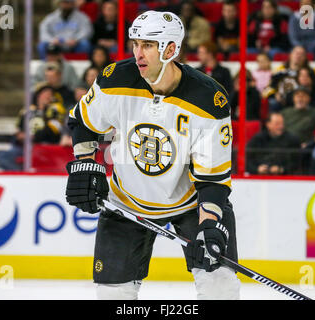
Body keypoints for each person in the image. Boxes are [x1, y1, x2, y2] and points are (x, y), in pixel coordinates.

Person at [65, 11, 240, 300]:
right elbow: (83, 121)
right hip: (126, 202)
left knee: (220, 287)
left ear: (170, 49)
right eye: (135, 44)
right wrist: (84, 164)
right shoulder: (114, 80)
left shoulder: (209, 101)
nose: (138, 53)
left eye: (147, 45)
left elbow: (213, 180)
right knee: (113, 295)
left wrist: (209, 224)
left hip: (191, 203)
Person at [0, 83, 67, 171]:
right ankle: (23, 178)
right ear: (38, 95)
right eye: (45, 93)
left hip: (45, 147)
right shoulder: (27, 110)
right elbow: (18, 131)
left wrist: (32, 137)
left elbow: (53, 130)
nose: (47, 96)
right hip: (26, 147)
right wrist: (21, 136)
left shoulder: (56, 109)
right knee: (4, 156)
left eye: (50, 93)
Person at [263, 46, 310, 111]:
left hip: (300, 102)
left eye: (301, 54)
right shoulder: (279, 72)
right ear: (290, 55)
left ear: (305, 57)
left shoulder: (309, 73)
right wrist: (275, 95)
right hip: (280, 103)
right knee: (273, 103)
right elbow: (266, 90)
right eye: (296, 53)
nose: (298, 56)